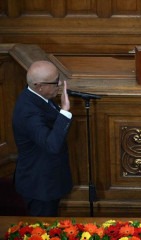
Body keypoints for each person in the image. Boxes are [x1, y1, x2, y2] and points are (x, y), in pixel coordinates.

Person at [12, 60, 73, 216]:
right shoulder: (28, 113)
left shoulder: (37, 96)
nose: (59, 83)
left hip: (49, 180)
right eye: (55, 81)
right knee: (42, 231)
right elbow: (51, 145)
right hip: (39, 186)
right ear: (39, 86)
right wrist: (65, 111)